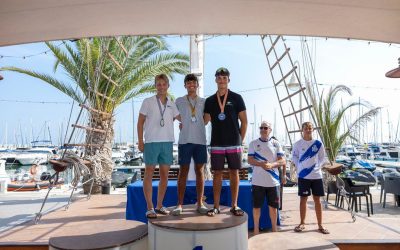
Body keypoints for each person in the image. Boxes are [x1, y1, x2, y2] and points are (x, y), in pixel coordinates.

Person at [204, 67, 248, 216]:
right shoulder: (209, 100)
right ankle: (216, 206)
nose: (222, 80)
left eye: (224, 78)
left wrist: (239, 140)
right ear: (215, 80)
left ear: (228, 80)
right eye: (219, 77)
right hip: (216, 143)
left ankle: (234, 205)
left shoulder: (237, 98)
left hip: (234, 143)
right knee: (217, 173)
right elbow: (204, 121)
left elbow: (244, 122)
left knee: (234, 172)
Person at [137, 73, 180, 219]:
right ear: (155, 86)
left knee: (164, 175)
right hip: (151, 142)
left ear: (168, 86)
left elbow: (180, 117)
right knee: (149, 172)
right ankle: (150, 207)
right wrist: (140, 141)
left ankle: (159, 205)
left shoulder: (171, 103)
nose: (161, 87)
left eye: (164, 84)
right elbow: (140, 122)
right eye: (158, 84)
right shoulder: (147, 101)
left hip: (167, 142)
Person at [171, 73, 208, 215]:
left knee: (200, 172)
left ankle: (200, 203)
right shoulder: (179, 101)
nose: (191, 85)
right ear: (185, 85)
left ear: (197, 85)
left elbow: (206, 120)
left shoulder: (204, 102)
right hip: (184, 141)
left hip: (200, 141)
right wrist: (183, 122)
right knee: (183, 172)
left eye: (194, 83)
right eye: (188, 83)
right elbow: (173, 117)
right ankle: (179, 205)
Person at [248, 121, 286, 234]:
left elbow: (283, 160)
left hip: (273, 182)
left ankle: (274, 230)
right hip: (257, 181)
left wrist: (272, 165)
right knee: (256, 207)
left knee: (273, 208)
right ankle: (255, 230)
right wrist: (261, 164)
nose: (263, 130)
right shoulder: (253, 143)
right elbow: (250, 160)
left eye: (266, 128)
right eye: (261, 128)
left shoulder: (276, 143)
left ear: (270, 130)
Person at [292, 122, 330, 234]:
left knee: (317, 200)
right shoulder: (297, 144)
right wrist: (299, 165)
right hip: (303, 176)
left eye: (310, 128)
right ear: (302, 130)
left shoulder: (318, 143)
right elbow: (294, 157)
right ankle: (302, 223)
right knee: (303, 199)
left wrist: (318, 165)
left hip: (316, 176)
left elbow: (323, 158)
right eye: (306, 128)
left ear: (312, 130)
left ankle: (320, 225)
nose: (308, 130)